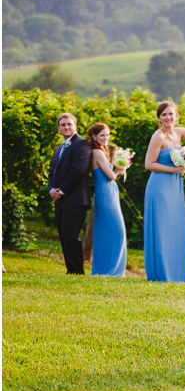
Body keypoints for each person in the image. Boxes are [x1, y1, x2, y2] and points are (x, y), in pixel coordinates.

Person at [143, 101, 185, 283]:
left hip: (175, 186)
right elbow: (149, 164)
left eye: (171, 114)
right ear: (159, 118)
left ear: (176, 116)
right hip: (160, 186)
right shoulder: (159, 137)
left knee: (175, 226)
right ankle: (162, 273)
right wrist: (174, 170)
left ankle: (177, 273)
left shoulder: (178, 133)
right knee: (163, 228)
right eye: (164, 115)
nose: (168, 118)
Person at [47, 113, 92, 275]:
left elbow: (78, 170)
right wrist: (52, 190)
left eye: (69, 124)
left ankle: (77, 271)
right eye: (63, 125)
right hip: (59, 199)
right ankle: (70, 269)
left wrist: (62, 190)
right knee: (64, 235)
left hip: (75, 198)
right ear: (59, 128)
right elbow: (52, 172)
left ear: (75, 125)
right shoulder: (59, 148)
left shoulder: (82, 144)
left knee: (71, 234)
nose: (66, 127)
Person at [87, 123, 127, 277]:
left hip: (110, 192)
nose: (106, 138)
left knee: (109, 230)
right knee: (117, 230)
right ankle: (110, 270)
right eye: (102, 135)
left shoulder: (102, 151)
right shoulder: (97, 152)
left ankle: (111, 269)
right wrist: (119, 170)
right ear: (94, 136)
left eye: (108, 135)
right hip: (104, 192)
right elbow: (110, 176)